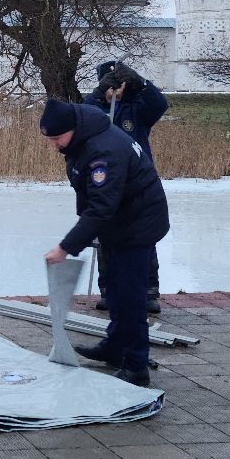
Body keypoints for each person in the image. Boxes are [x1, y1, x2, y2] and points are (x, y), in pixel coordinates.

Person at [39, 98, 170, 386]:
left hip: (138, 223)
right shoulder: (81, 138)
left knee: (130, 296)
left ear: (72, 129)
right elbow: (87, 191)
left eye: (57, 139)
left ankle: (136, 366)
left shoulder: (103, 152)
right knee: (114, 287)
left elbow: (101, 206)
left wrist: (66, 247)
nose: (54, 145)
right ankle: (115, 347)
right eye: (50, 140)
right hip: (118, 221)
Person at [84, 61, 169, 314]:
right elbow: (81, 117)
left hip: (138, 184)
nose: (116, 89)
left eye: (119, 83)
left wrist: (141, 83)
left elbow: (159, 105)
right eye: (111, 84)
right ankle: (109, 290)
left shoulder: (137, 109)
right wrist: (99, 94)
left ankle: (148, 291)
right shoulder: (96, 111)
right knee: (106, 237)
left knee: (143, 236)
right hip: (107, 184)